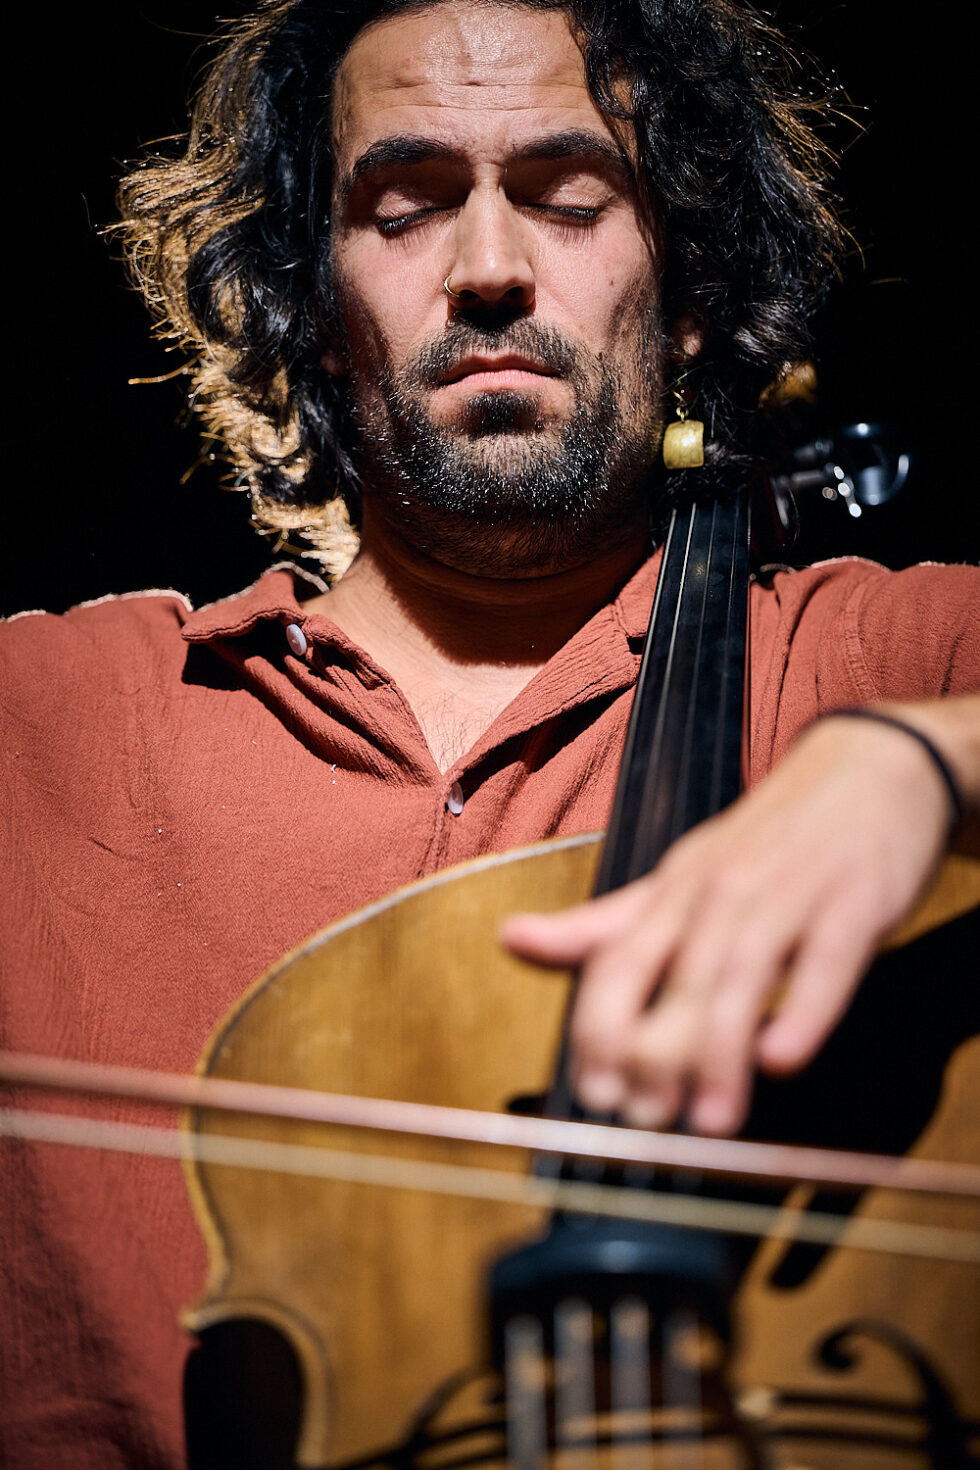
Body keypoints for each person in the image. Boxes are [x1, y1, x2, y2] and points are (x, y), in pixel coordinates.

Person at [1, 1, 976, 1465]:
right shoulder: (50, 718)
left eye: (572, 201)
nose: (492, 272)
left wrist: (927, 758)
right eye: (404, 209)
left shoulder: (883, 656)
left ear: (691, 287)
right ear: (309, 307)